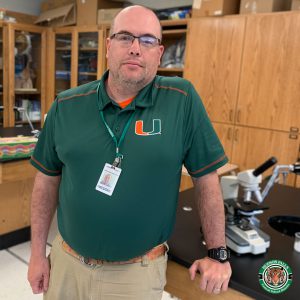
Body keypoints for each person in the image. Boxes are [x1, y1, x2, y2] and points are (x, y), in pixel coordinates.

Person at [27, 5, 232, 300]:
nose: (136, 48)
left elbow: (207, 179)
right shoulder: (67, 105)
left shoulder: (181, 99)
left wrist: (217, 252)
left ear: (159, 53)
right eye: (125, 37)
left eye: (147, 40)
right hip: (66, 266)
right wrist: (36, 254)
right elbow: (45, 182)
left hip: (136, 275)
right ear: (109, 46)